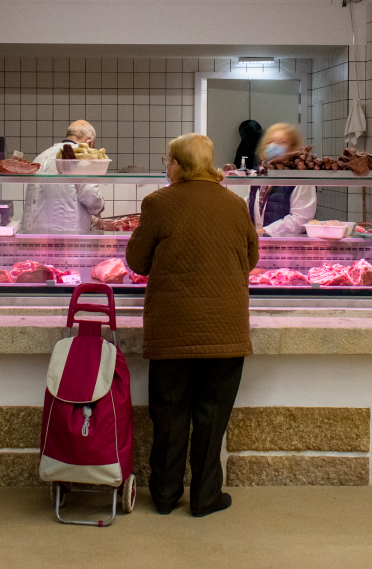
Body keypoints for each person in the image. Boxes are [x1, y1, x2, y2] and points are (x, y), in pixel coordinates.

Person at [126, 133, 260, 517]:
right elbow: (251, 258)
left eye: (167, 160)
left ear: (178, 164)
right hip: (225, 329)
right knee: (211, 416)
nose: (166, 167)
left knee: (169, 415)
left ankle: (165, 496)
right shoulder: (235, 204)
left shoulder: (159, 202)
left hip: (173, 328)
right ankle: (205, 497)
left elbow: (137, 261)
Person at [19, 120, 104, 234]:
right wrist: (100, 206)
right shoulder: (80, 159)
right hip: (65, 238)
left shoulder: (40, 157)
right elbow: (92, 200)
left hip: (32, 237)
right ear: (89, 143)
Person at [247, 123, 317, 236]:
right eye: (271, 141)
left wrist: (266, 231)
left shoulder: (301, 177)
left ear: (293, 148)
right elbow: (250, 205)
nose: (274, 145)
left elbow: (301, 218)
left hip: (286, 244)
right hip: (259, 242)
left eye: (281, 142)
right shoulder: (259, 174)